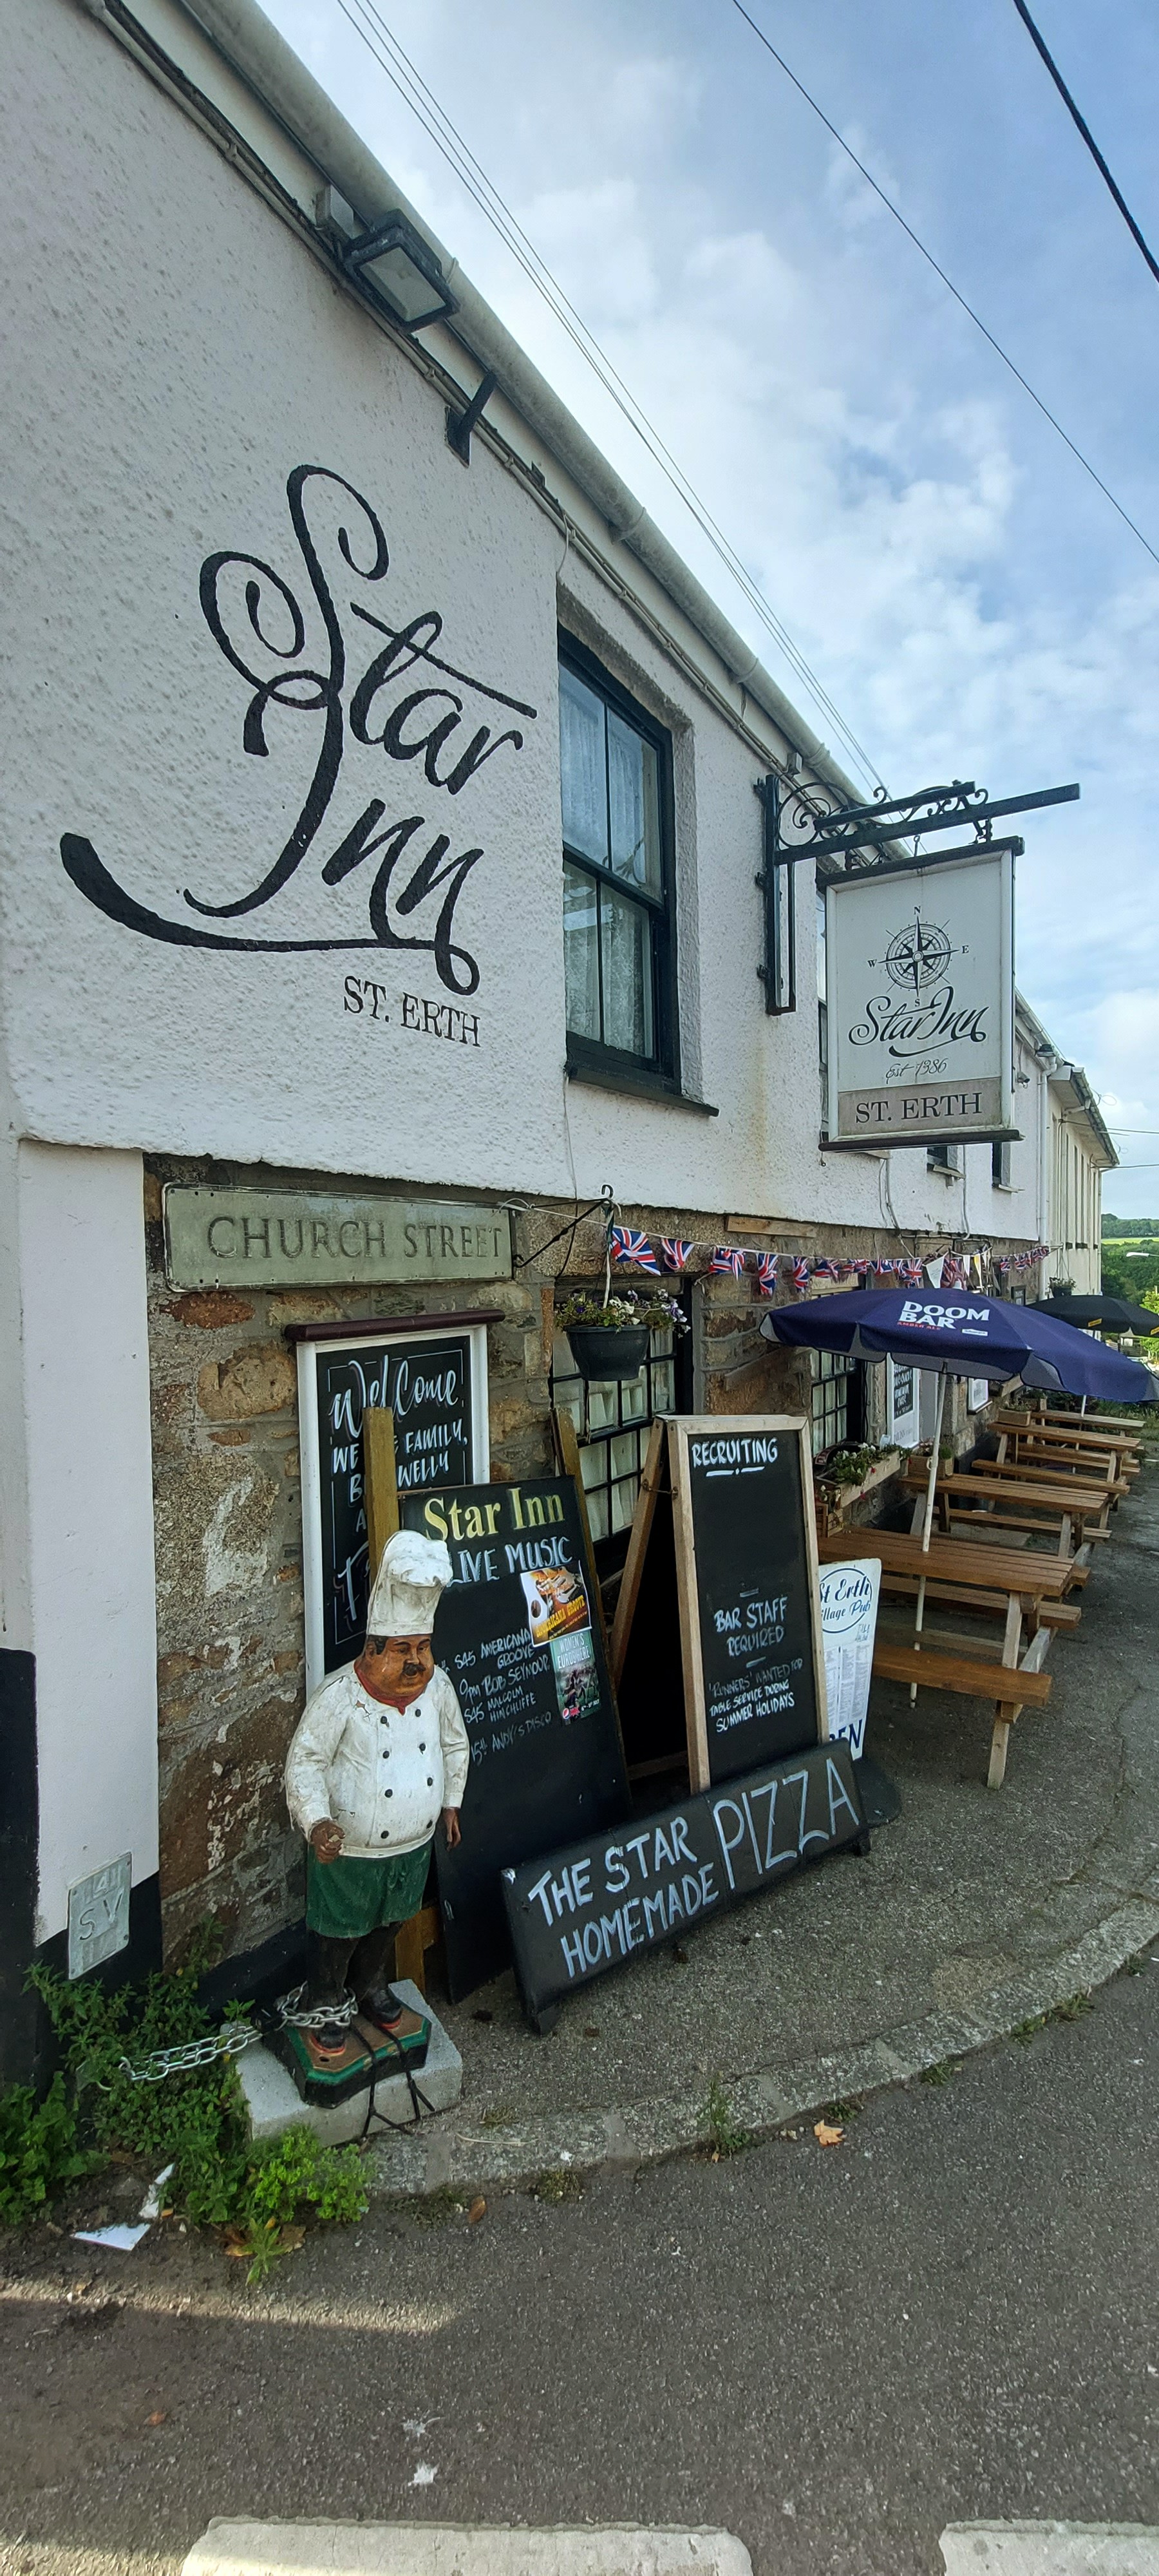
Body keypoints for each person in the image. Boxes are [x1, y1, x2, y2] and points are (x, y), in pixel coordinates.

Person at [285, 1530, 469, 2057]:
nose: (416, 1662)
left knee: (390, 1924)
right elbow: (306, 1761)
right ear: (373, 1650)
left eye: (423, 1649)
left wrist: (451, 1803)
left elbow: (455, 1746)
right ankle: (325, 2000)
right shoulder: (340, 1696)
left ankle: (370, 1988)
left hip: (411, 1847)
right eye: (403, 1650)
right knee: (338, 1931)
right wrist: (317, 1821)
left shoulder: (439, 1688)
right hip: (350, 1851)